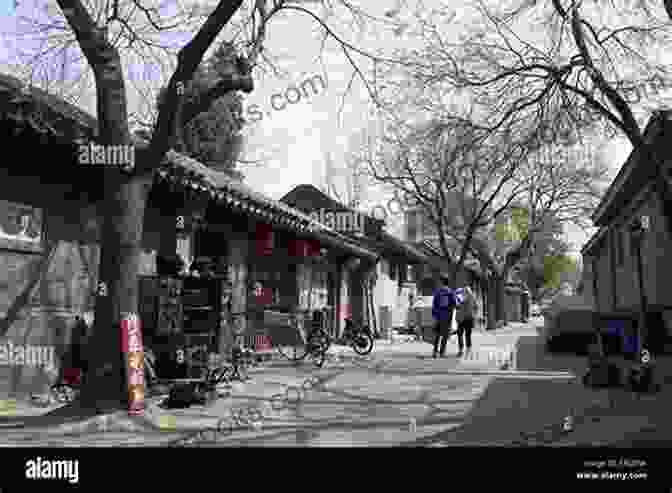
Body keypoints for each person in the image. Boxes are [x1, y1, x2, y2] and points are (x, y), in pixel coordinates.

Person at [431, 275, 457, 358]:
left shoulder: (438, 292)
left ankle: (435, 351)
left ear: (442, 282)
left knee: (437, 335)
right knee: (445, 335)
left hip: (439, 316)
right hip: (447, 316)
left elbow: (434, 304)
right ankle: (442, 352)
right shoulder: (450, 292)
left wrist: (434, 314)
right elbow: (454, 303)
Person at [456, 285, 478, 357]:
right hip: (469, 318)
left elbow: (458, 305)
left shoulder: (461, 297)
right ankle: (468, 349)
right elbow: (476, 307)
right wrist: (474, 314)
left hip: (462, 319)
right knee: (467, 335)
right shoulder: (473, 297)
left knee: (460, 334)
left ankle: (461, 350)